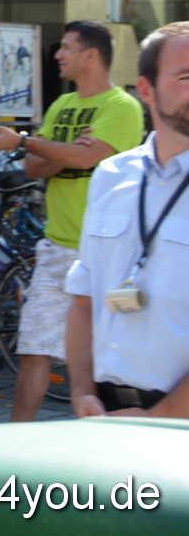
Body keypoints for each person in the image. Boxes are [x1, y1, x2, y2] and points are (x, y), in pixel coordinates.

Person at [0, 20, 146, 421]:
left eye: (66, 47)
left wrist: (26, 141)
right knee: (34, 348)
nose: (57, 55)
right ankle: (15, 445)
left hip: (110, 254)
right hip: (56, 247)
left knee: (105, 357)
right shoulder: (61, 106)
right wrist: (65, 149)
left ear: (91, 55)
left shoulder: (123, 106)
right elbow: (36, 167)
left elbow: (83, 158)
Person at [66, 21, 189, 419]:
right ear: (147, 89)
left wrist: (157, 419)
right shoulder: (111, 175)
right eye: (186, 77)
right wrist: (83, 392)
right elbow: (84, 299)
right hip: (108, 418)